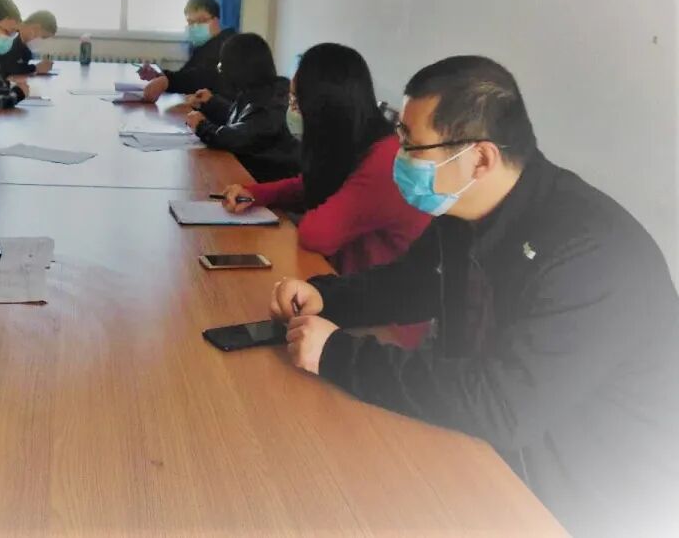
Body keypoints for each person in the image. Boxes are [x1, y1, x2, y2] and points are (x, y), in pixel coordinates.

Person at [271, 55, 679, 536]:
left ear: (480, 158)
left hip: (584, 500)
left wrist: (337, 354)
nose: (400, 156)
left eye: (412, 144)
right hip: (495, 450)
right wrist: (326, 298)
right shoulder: (467, 208)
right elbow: (414, 283)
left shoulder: (592, 253)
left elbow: (503, 405)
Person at [219, 43, 430, 344]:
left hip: (386, 322)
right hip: (346, 292)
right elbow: (311, 185)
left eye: (297, 100)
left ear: (324, 109)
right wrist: (256, 193)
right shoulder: (361, 141)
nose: (292, 110)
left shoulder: (386, 161)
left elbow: (316, 234)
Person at [184, 33, 299, 183]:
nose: (221, 72)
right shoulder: (257, 91)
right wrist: (211, 103)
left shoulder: (275, 102)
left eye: (223, 66)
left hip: (266, 183)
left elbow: (237, 137)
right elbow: (242, 120)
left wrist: (201, 126)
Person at [139, 0, 235, 102]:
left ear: (216, 20)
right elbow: (186, 75)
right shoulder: (204, 46)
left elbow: (202, 77)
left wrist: (167, 81)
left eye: (201, 21)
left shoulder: (229, 45)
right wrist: (159, 75)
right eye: (190, 22)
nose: (195, 26)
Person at [0, 10, 58, 77]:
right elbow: (4, 67)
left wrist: (38, 68)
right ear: (35, 28)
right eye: (44, 37)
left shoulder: (25, 49)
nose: (42, 41)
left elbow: (20, 67)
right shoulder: (10, 34)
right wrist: (35, 68)